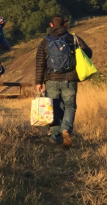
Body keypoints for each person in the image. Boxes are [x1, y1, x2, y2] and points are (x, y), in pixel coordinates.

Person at [35, 16, 93, 148]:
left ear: (51, 25)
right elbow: (88, 53)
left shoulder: (45, 41)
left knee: (54, 108)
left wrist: (39, 82)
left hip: (51, 79)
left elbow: (40, 63)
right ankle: (66, 128)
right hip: (70, 78)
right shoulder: (73, 38)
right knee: (70, 106)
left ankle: (56, 137)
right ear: (65, 25)